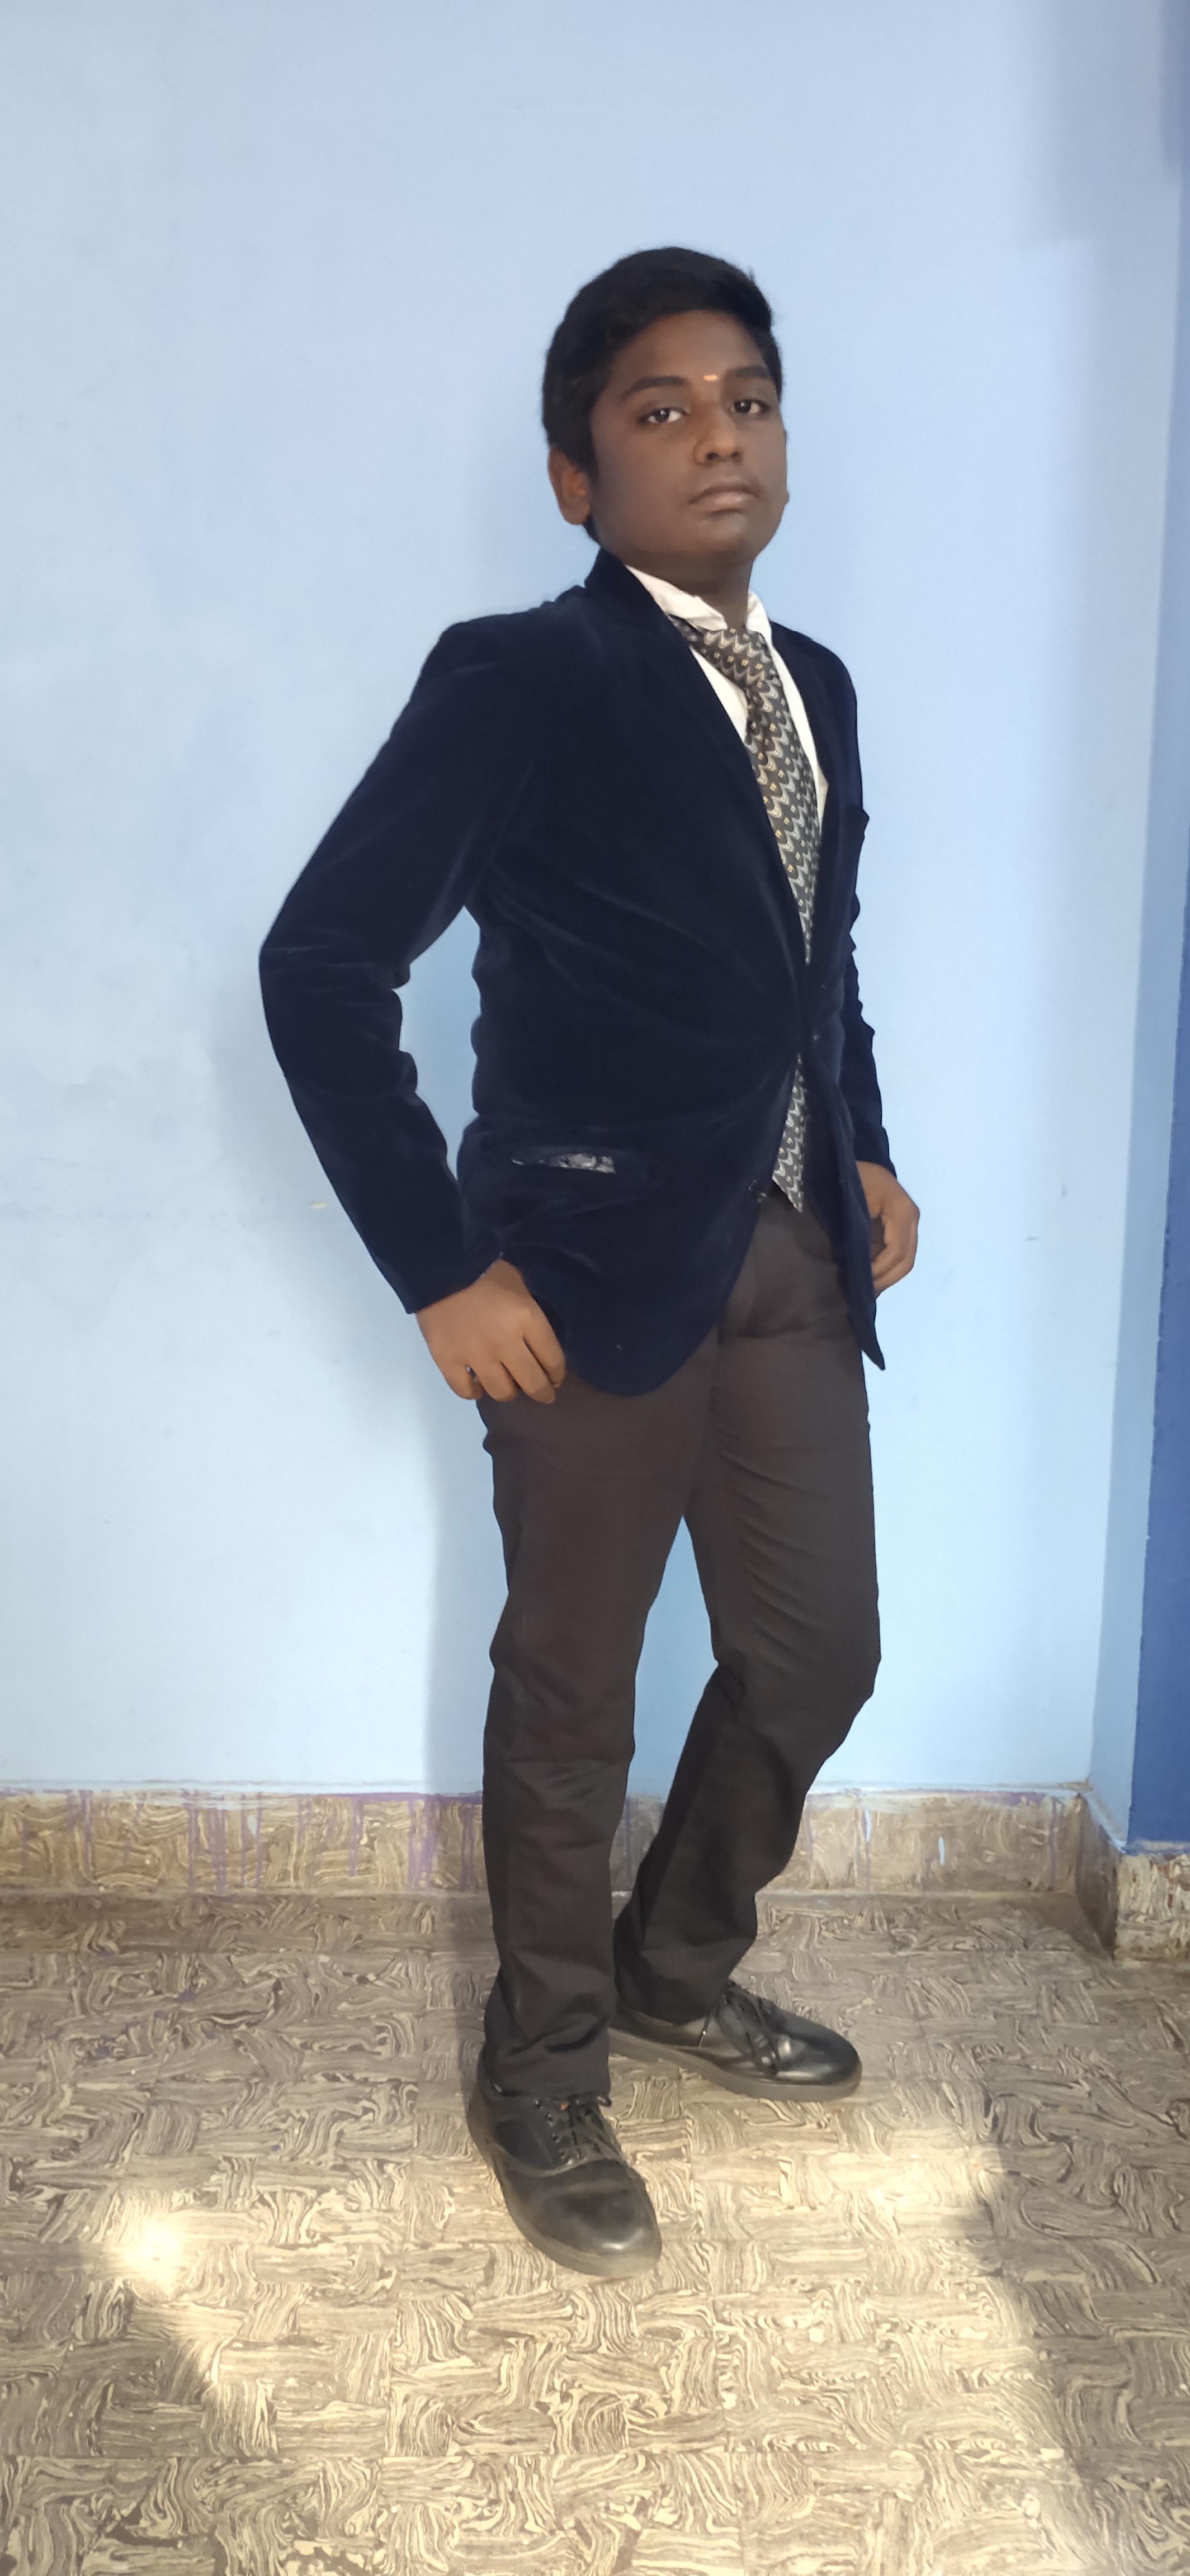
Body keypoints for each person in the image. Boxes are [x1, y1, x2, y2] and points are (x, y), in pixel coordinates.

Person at [259, 246, 919, 2280]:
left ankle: (668, 1967)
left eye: (748, 399)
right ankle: (539, 2070)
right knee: (573, 1694)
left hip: (792, 1253)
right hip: (588, 1270)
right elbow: (321, 963)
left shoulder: (816, 690)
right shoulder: (522, 676)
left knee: (817, 1652)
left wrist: (869, 1148)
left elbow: (818, 965)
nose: (719, 435)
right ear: (577, 477)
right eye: (662, 408)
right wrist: (440, 1266)